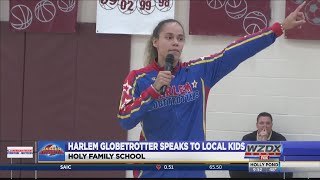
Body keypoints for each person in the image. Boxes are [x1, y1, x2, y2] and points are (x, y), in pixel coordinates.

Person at [117, 2, 306, 178]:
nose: (176, 42)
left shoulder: (199, 71)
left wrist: (278, 28)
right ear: (155, 42)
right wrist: (153, 90)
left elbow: (235, 51)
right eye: (169, 37)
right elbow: (125, 120)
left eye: (180, 38)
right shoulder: (138, 78)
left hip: (191, 170)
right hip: (154, 171)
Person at [229, 112, 293, 178]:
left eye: (268, 123)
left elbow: (282, 162)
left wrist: (266, 144)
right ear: (257, 125)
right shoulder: (247, 138)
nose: (264, 126)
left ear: (271, 125)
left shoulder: (280, 139)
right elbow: (243, 159)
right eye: (261, 123)